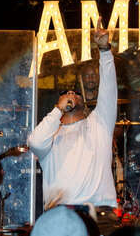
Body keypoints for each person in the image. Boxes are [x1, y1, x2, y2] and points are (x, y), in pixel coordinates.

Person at [28, 20, 117, 209]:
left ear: (84, 102)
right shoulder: (51, 136)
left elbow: (109, 88)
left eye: (75, 93)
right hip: (61, 215)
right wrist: (57, 111)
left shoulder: (99, 123)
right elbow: (34, 142)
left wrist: (105, 51)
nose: (71, 94)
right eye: (66, 93)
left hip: (98, 213)